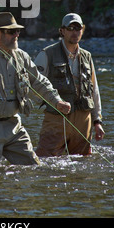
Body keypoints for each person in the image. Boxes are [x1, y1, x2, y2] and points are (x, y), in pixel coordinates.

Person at [0, 12, 71, 166]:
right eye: (11, 31)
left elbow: (38, 81)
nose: (16, 34)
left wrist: (57, 101)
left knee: (33, 167)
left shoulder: (21, 57)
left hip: (13, 126)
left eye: (17, 31)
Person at [34, 13, 105, 157]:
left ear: (82, 30)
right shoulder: (46, 54)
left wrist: (97, 121)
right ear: (62, 31)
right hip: (56, 118)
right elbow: (34, 85)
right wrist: (51, 103)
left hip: (83, 120)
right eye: (70, 28)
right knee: (45, 162)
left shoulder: (87, 56)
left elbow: (94, 91)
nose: (74, 32)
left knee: (82, 163)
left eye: (78, 28)